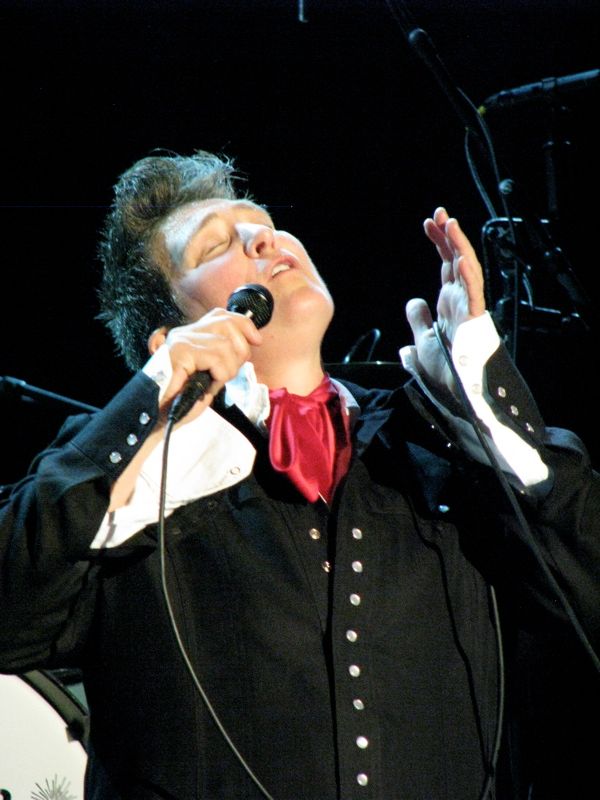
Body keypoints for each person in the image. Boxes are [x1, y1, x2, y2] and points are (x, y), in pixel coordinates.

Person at [0, 149, 598, 800]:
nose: (265, 238)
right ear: (169, 334)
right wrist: (145, 410)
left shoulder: (438, 454)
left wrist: (492, 406)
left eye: (263, 224)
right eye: (216, 246)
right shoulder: (123, 486)